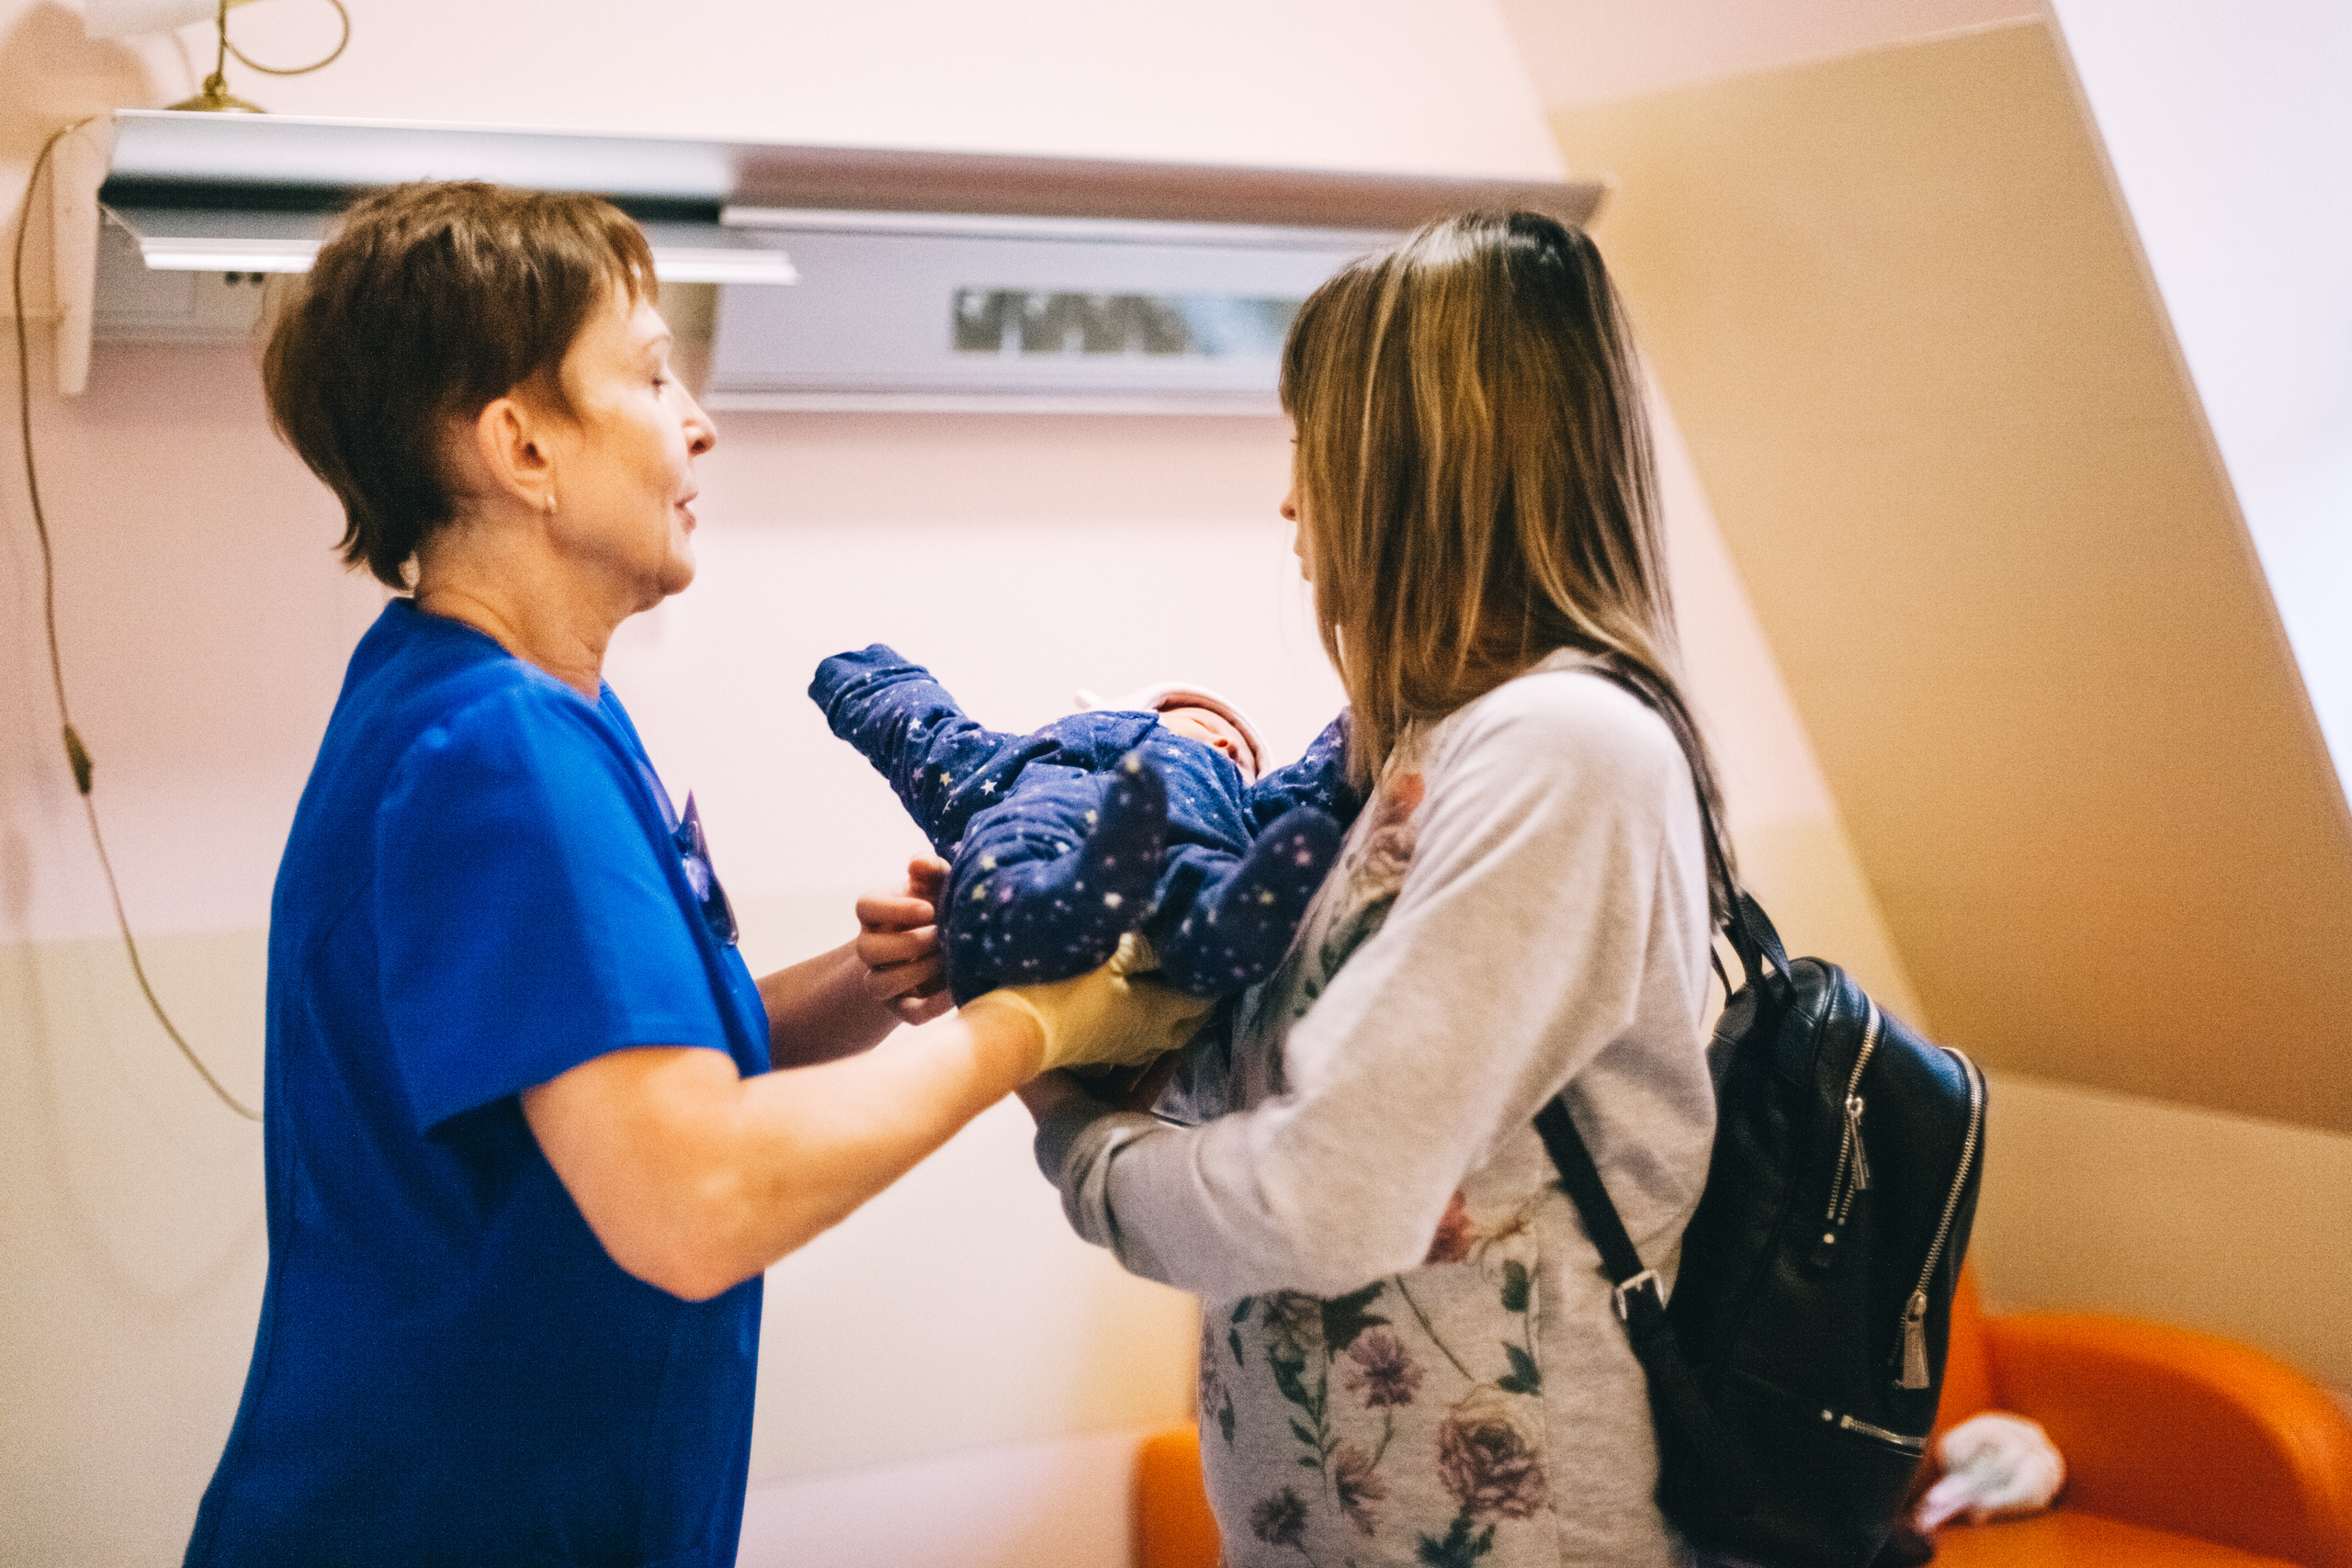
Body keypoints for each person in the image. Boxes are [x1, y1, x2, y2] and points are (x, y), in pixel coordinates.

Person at [185, 181, 1199, 1567]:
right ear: (524, 446)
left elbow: (624, 1071)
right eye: (655, 376)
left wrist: (880, 979)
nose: (699, 422)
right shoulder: (500, 752)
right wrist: (1033, 1027)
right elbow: (695, 1197)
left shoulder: (495, 701)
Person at [1021, 210, 1738, 1567]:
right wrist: (1068, 986)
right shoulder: (1416, 746)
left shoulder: (1564, 751)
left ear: (1409, 466)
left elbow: (1324, 1196)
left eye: (1310, 448)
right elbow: (1279, 1089)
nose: (1290, 503)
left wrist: (1072, 1134)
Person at [810, 644, 1359, 1000]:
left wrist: (1363, 722)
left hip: (1180, 856)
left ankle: (1218, 930)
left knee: (1200, 877)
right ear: (1139, 712)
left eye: (1242, 757)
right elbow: (936, 740)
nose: (1226, 745)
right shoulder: (1040, 755)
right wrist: (875, 682)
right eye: (1205, 723)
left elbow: (1316, 780)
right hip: (1042, 823)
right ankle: (1059, 895)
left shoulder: (1235, 804)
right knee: (1015, 845)